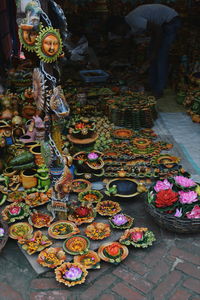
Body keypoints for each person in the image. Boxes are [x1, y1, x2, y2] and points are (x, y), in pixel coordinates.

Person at [106, 4, 181, 98]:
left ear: (120, 25)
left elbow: (158, 30)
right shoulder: (126, 28)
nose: (118, 34)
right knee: (152, 56)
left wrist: (154, 52)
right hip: (160, 26)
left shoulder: (133, 20)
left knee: (160, 56)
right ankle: (153, 85)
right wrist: (113, 60)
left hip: (170, 20)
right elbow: (126, 45)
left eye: (117, 31)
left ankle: (159, 90)